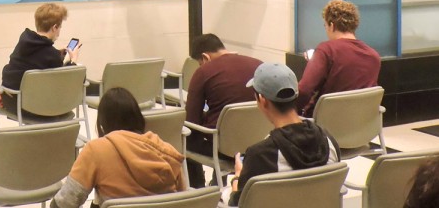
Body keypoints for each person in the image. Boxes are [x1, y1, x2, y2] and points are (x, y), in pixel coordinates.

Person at [50, 87, 184, 208]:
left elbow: (64, 203)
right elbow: (184, 202)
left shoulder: (96, 150)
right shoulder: (168, 152)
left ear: (102, 124)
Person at [228, 62, 339, 206]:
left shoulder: (261, 154)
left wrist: (237, 177)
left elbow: (238, 203)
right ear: (295, 95)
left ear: (262, 100)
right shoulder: (328, 140)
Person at [184, 33, 262, 188]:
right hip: (259, 143)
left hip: (223, 149)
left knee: (183, 139)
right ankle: (217, 181)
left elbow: (191, 121)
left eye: (200, 63)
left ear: (205, 57)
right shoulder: (259, 65)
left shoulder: (204, 72)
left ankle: (199, 191)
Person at [296, 0, 381, 116]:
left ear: (332, 25)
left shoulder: (326, 50)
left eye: (325, 25)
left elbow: (304, 91)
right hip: (361, 127)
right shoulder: (374, 56)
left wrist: (289, 110)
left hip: (326, 124)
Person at [0, 2, 81, 114]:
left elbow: (35, 59)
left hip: (11, 101)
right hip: (36, 108)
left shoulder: (24, 41)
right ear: (55, 27)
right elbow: (67, 81)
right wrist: (73, 60)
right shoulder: (50, 55)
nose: (59, 31)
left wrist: (57, 53)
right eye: (60, 27)